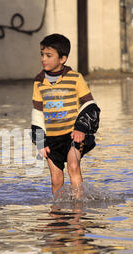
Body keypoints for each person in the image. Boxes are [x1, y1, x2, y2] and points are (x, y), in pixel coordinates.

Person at [31, 34, 100, 198]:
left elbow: (90, 105)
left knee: (73, 166)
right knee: (56, 179)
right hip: (51, 139)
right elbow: (37, 113)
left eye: (48, 55)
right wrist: (40, 141)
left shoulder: (75, 78)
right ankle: (57, 215)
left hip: (72, 136)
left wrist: (81, 128)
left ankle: (78, 212)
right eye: (42, 54)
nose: (43, 59)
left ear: (62, 58)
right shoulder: (38, 82)